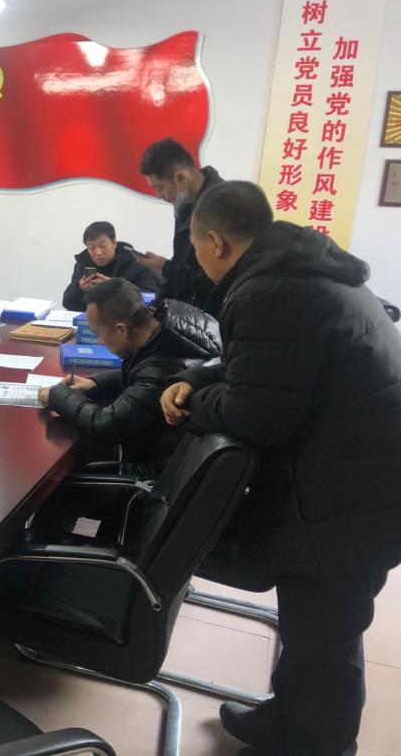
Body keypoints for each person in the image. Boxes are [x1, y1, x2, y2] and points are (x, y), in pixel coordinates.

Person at [160, 181, 401, 756]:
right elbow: (258, 365)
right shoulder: (299, 272)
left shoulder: (272, 291)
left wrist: (193, 404)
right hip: (354, 476)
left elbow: (256, 413)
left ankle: (320, 745)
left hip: (351, 495)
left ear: (215, 241)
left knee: (326, 634)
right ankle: (286, 720)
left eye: (196, 249)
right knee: (310, 623)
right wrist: (194, 377)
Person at [39, 278, 217, 481]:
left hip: (151, 473)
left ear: (122, 330)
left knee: (58, 477)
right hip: (171, 454)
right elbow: (144, 375)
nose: (100, 341)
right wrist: (96, 383)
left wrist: (56, 395)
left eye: (98, 334)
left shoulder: (160, 370)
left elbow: (107, 426)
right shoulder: (171, 329)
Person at [138, 137, 224, 310]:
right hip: (189, 313)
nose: (159, 195)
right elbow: (182, 262)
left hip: (214, 316)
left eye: (159, 187)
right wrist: (155, 309)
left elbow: (215, 281)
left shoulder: (224, 207)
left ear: (181, 178)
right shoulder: (184, 205)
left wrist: (165, 267)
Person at [61, 221, 160, 311]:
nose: (98, 253)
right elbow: (68, 304)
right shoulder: (83, 264)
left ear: (114, 243)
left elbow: (149, 299)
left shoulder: (138, 262)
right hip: (93, 321)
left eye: (103, 246)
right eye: (92, 248)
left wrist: (115, 288)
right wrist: (80, 290)